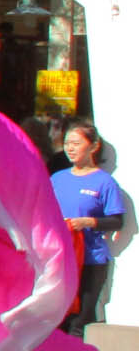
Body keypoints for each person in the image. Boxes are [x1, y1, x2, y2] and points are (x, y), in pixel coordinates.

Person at [52, 120, 125, 332]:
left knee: (80, 320)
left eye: (76, 143)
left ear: (93, 146)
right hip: (61, 258)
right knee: (58, 318)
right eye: (67, 143)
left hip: (91, 260)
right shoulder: (57, 179)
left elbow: (116, 221)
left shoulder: (104, 182)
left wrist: (88, 222)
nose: (70, 148)